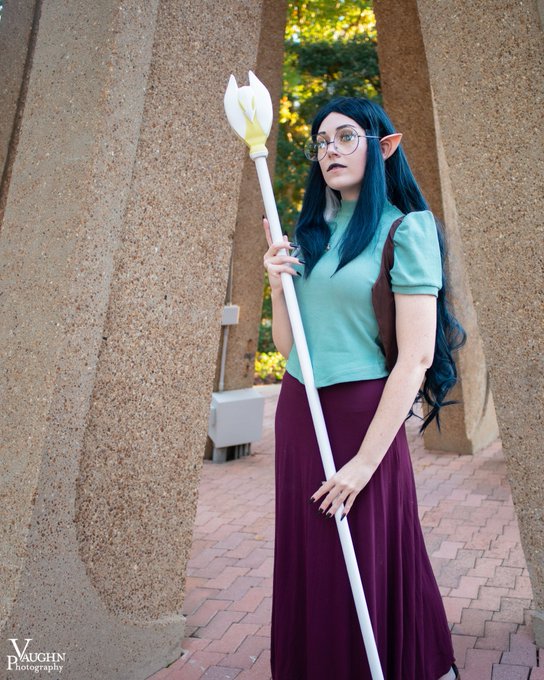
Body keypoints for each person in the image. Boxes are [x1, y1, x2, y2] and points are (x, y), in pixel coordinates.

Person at [262, 97, 465, 680]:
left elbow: (417, 357)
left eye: (346, 137)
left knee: (368, 554)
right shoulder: (312, 233)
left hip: (363, 420)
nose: (330, 150)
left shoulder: (407, 229)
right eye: (322, 142)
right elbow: (290, 347)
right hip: (301, 412)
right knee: (314, 554)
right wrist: (277, 284)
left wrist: (362, 465)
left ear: (385, 146)